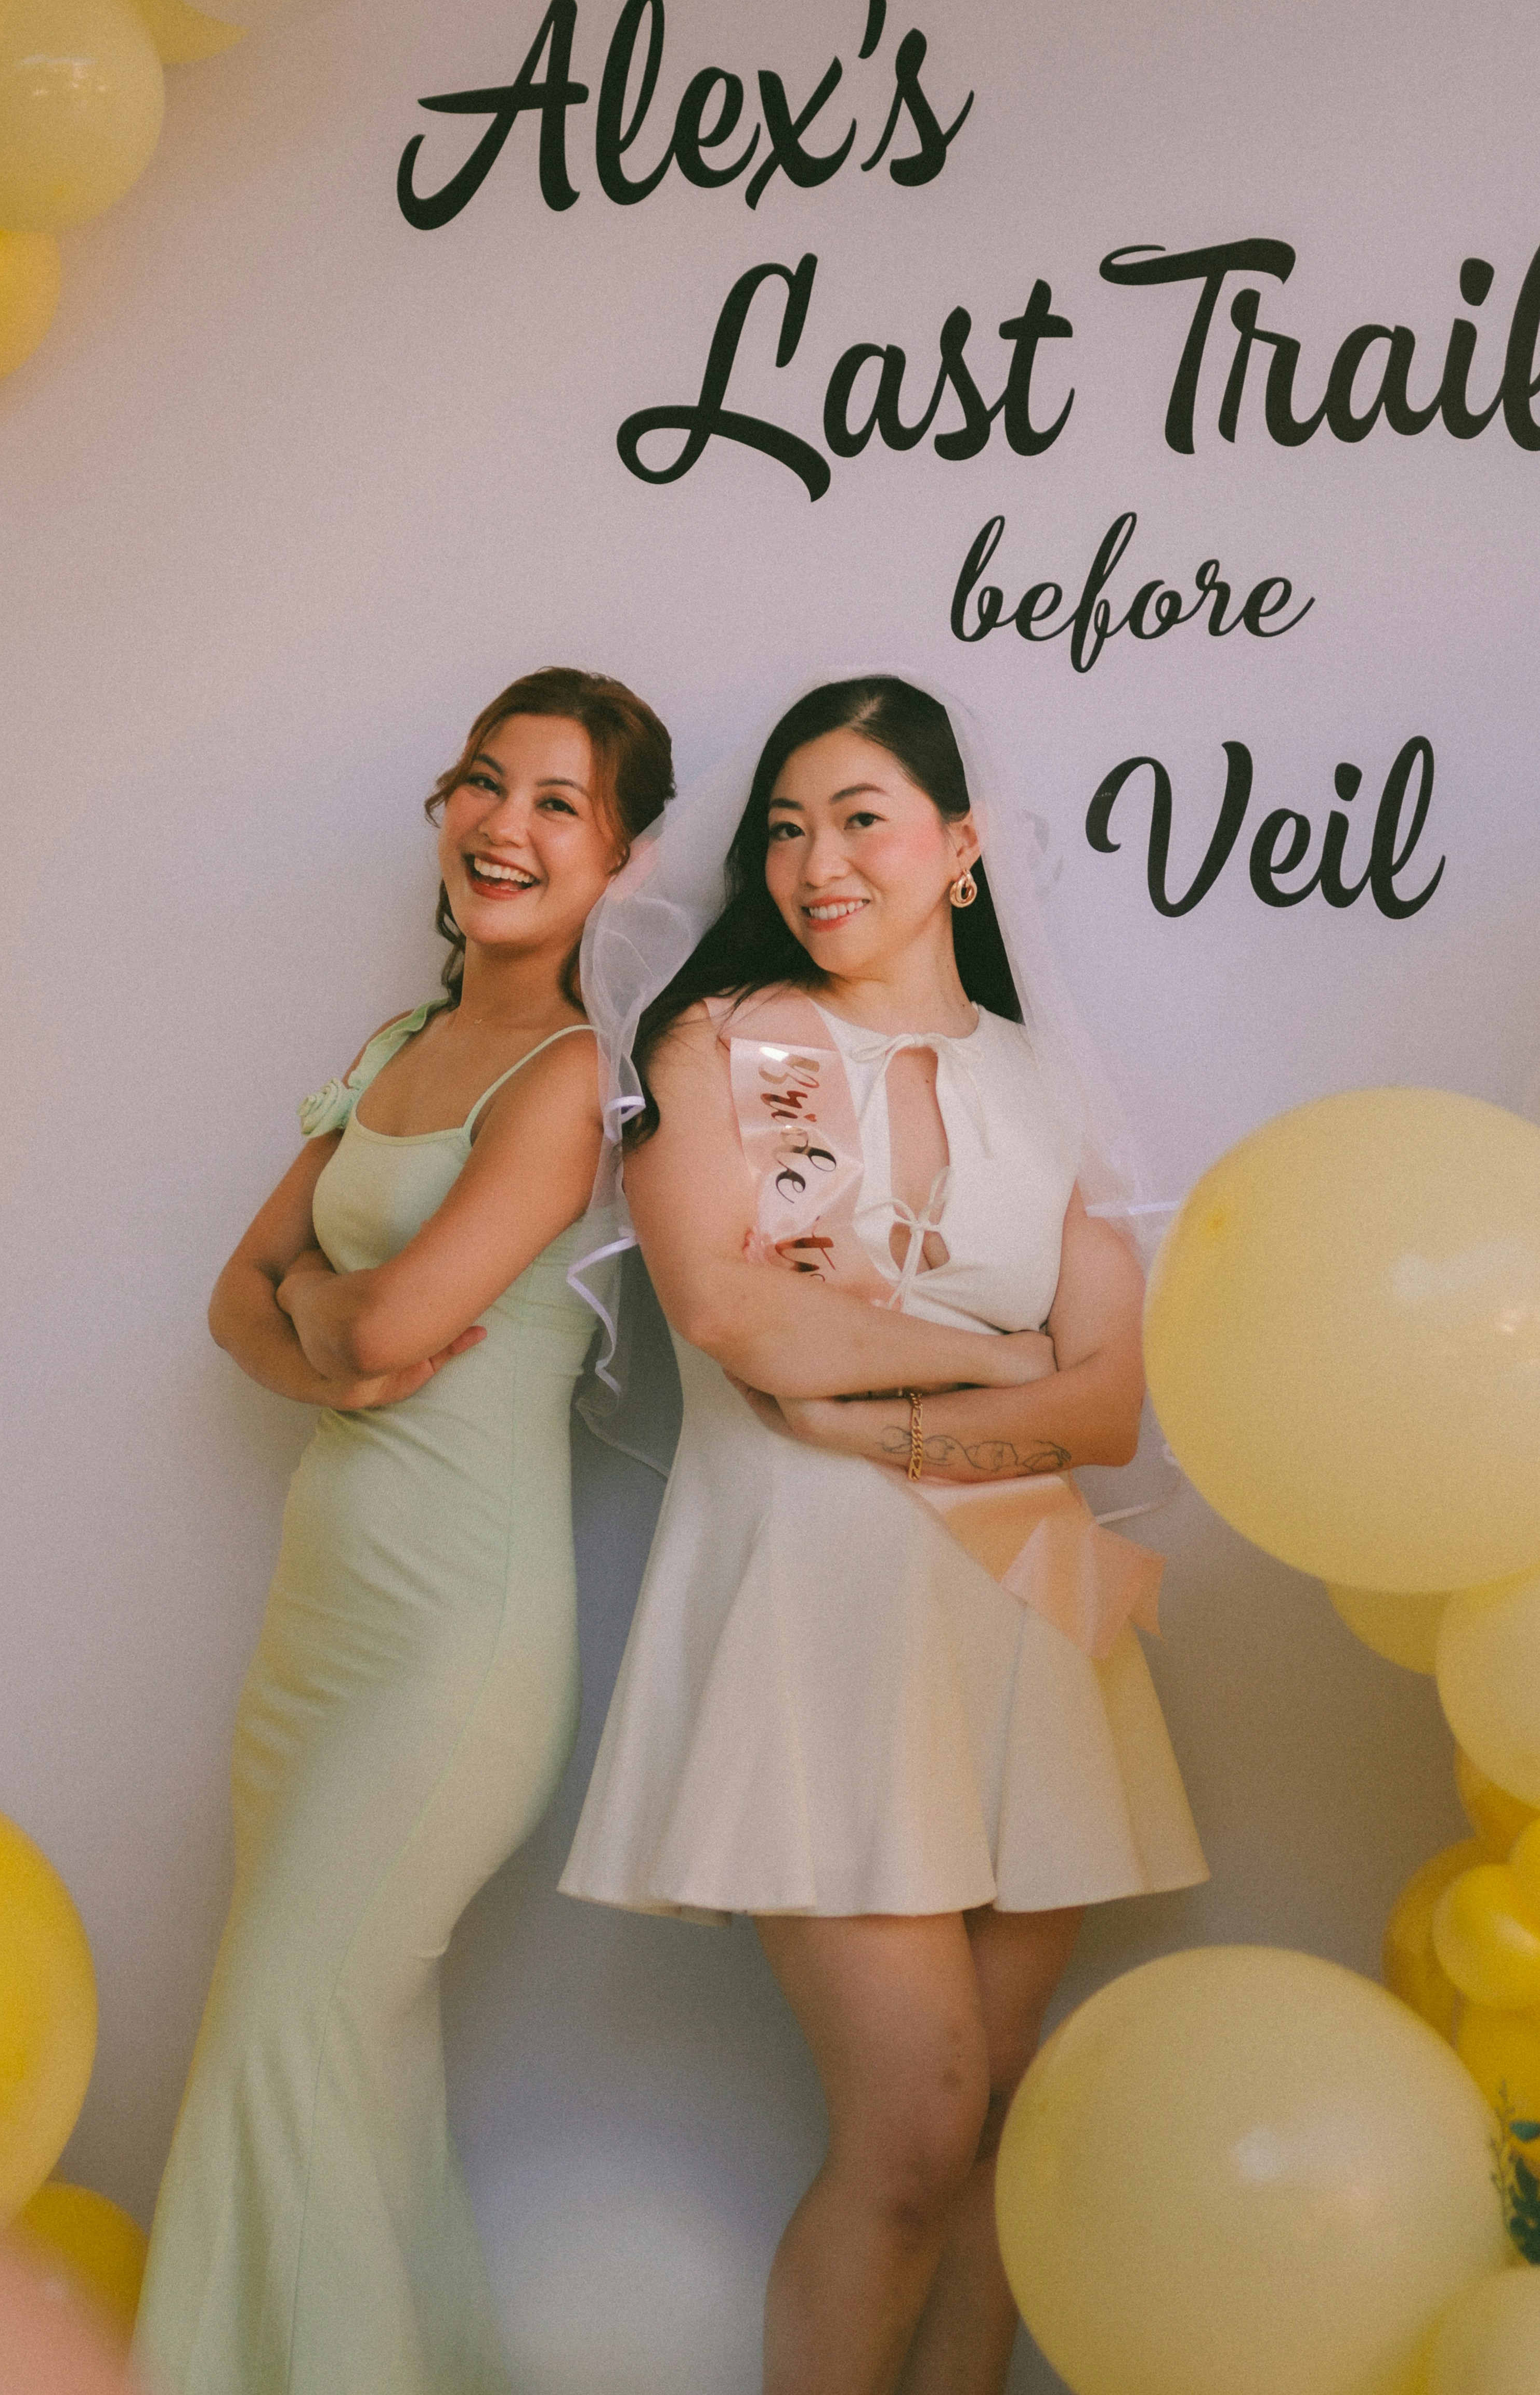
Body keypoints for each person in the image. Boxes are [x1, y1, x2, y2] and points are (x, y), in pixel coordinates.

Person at [561, 676, 1205, 2395]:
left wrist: (889, 1409)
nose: (814, 857)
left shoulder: (1038, 1085)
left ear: (958, 848)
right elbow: (741, 1322)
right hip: (813, 1627)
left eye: (858, 816)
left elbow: (1110, 1412)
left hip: (1024, 1626)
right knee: (911, 2133)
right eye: (785, 823)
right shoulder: (724, 1047)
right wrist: (1006, 1356)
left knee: (1001, 2130)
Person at [137, 668, 674, 2395]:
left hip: (453, 1642)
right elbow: (240, 1300)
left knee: (276, 2049)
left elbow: (368, 1331)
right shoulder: (388, 1051)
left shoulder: (574, 1071)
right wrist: (328, 1307)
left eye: (555, 804)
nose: (501, 827)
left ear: (621, 859)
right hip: (315, 1631)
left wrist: (328, 1313)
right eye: (478, 784)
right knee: (352, 2080)